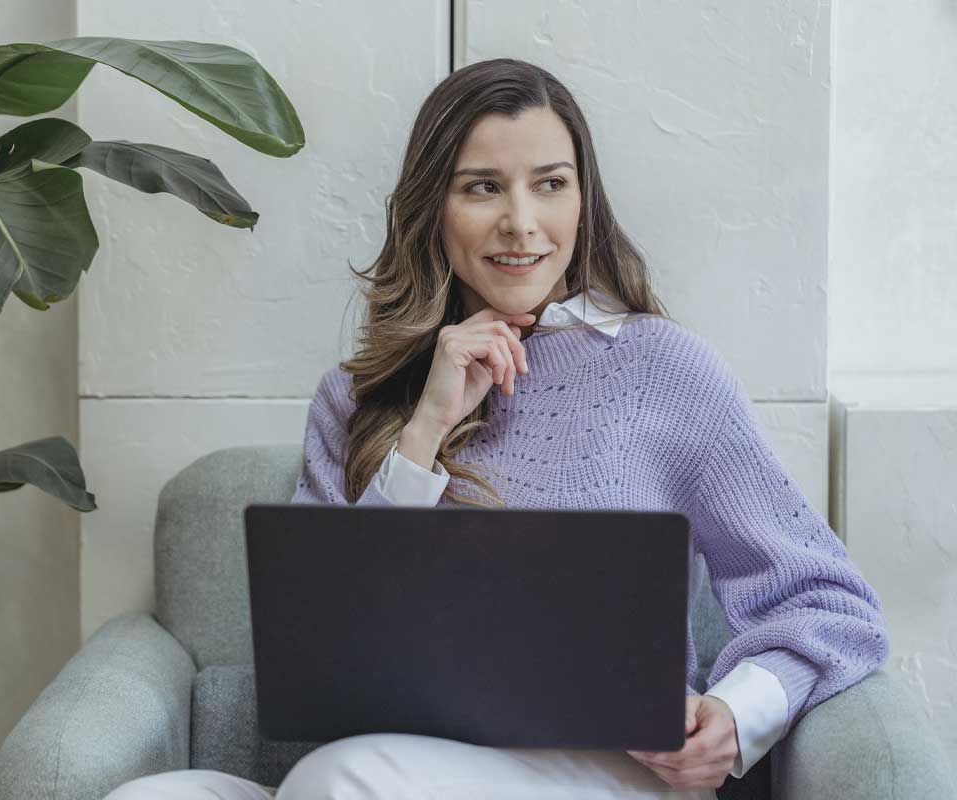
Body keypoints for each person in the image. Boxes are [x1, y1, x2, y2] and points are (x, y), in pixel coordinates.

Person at [104, 57, 889, 800]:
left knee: (339, 782)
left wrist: (736, 715)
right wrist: (427, 425)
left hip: (609, 774)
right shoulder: (353, 396)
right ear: (434, 209)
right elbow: (319, 650)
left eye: (550, 184)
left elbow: (826, 600)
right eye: (483, 188)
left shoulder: (666, 370)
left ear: (583, 201)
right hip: (388, 769)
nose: (522, 223)